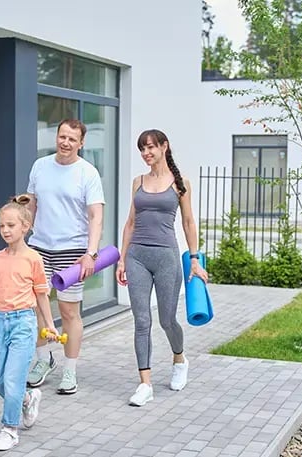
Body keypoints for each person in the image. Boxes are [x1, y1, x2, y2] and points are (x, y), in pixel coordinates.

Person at [116, 129, 209, 407]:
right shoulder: (138, 182)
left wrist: (194, 259)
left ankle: (179, 359)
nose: (146, 153)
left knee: (167, 320)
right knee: (142, 320)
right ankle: (145, 384)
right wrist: (122, 259)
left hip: (166, 257)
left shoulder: (180, 183)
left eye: (150, 147)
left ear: (164, 147)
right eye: (142, 149)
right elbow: (130, 223)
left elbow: (188, 222)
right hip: (137, 257)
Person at [0, 194, 59, 451]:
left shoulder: (33, 259)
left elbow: (41, 294)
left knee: (13, 378)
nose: (5, 230)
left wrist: (49, 325)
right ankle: (27, 399)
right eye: (1, 226)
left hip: (23, 323)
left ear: (25, 227)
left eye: (10, 225)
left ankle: (10, 429)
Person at [25, 119, 105, 395]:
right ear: (57, 137)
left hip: (72, 252)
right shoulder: (40, 166)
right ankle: (43, 359)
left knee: (69, 311)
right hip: (38, 248)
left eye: (72, 139)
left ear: (81, 143)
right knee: (36, 307)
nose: (65, 142)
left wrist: (90, 253)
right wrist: (22, 235)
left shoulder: (88, 173)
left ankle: (69, 370)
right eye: (62, 136)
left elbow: (96, 216)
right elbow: (31, 204)